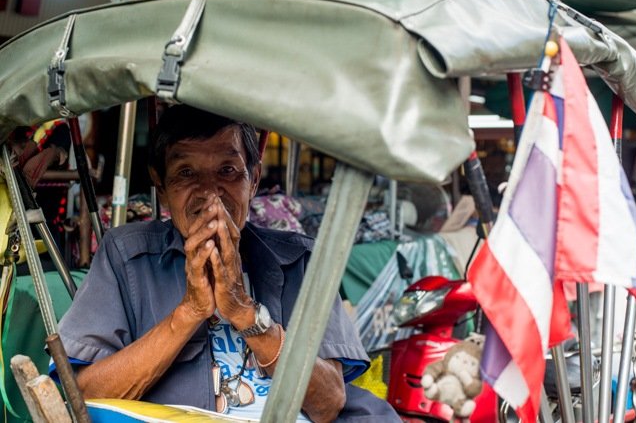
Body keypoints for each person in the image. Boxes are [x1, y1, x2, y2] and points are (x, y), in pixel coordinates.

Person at [55, 105, 399, 422]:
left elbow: (328, 403)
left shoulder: (300, 259)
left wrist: (244, 311)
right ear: (161, 186)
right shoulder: (125, 256)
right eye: (186, 172)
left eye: (228, 170)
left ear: (254, 180)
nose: (210, 192)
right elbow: (83, 395)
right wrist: (190, 311)